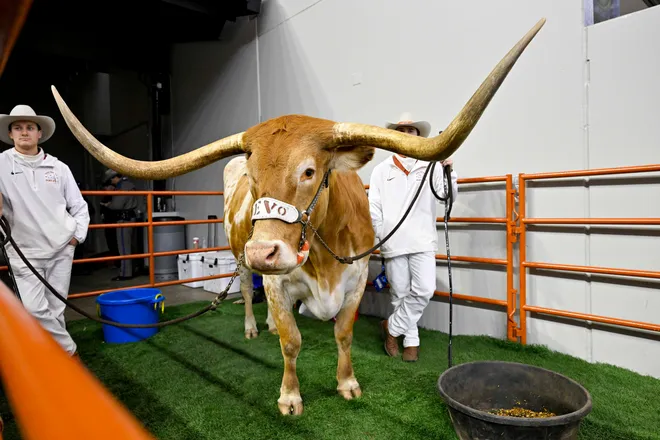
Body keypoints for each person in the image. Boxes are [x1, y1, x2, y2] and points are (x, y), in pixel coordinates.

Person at [0, 104, 90, 358]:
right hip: (24, 252)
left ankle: (53, 360)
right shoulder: (1, 164)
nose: (24, 132)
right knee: (33, 309)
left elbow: (79, 206)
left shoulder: (59, 168)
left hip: (62, 247)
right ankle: (69, 351)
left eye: (30, 127)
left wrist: (75, 238)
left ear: (40, 133)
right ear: (10, 134)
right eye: (18, 127)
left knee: (56, 308)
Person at [368, 112, 459, 362]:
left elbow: (446, 196)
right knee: (399, 292)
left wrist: (449, 171)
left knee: (424, 290)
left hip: (422, 239)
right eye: (402, 130)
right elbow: (373, 206)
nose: (406, 134)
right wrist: (380, 233)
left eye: (411, 131)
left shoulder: (431, 164)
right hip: (393, 240)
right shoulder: (380, 170)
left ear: (418, 136)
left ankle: (392, 328)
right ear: (394, 135)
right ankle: (411, 342)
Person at [100, 169, 139, 281]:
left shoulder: (122, 186)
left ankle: (125, 274)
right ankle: (131, 270)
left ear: (114, 177)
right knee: (129, 246)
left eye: (110, 179)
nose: (111, 182)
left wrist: (107, 204)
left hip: (124, 219)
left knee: (123, 247)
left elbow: (117, 205)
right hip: (130, 217)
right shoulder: (129, 184)